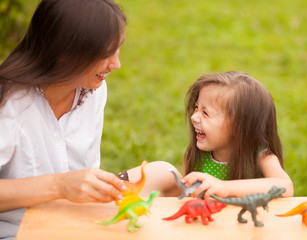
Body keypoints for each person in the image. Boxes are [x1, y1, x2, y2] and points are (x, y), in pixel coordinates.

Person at [0, 0, 179, 239]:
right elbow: (67, 184)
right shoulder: (9, 102)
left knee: (165, 173)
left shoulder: (93, 89)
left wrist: (93, 187)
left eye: (118, 49)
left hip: (77, 218)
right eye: (105, 54)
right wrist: (60, 186)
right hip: (20, 231)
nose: (116, 64)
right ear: (63, 52)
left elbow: (83, 174)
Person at [181, 71, 294, 199]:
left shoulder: (259, 156)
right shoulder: (195, 156)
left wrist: (224, 187)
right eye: (196, 108)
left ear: (238, 126)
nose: (194, 117)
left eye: (205, 113)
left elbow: (286, 186)